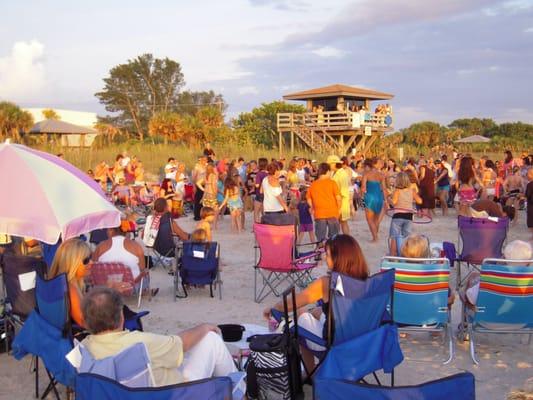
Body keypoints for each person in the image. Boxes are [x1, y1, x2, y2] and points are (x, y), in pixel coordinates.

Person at [80, 287, 236, 386]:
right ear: (121, 316)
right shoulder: (139, 344)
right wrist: (204, 327)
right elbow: (180, 344)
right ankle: (240, 392)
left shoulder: (85, 349)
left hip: (123, 392)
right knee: (211, 339)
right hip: (176, 394)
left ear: (87, 322)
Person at [263, 235, 369, 372]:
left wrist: (273, 309)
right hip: (362, 342)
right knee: (315, 311)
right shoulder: (367, 281)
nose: (325, 258)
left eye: (328, 255)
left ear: (339, 258)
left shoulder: (327, 283)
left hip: (335, 344)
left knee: (300, 318)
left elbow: (291, 304)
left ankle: (310, 374)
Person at [92, 224, 157, 296]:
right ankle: (145, 292)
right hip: (132, 288)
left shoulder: (100, 247)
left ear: (111, 230)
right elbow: (142, 268)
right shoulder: (136, 246)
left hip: (106, 288)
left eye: (107, 229)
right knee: (145, 272)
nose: (106, 232)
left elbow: (94, 267)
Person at [48, 238, 92, 327]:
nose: (91, 262)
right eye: (86, 260)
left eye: (91, 257)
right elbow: (85, 323)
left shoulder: (66, 282)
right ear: (72, 263)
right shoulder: (70, 288)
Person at [388, 172, 422, 256]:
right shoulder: (412, 191)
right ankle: (406, 254)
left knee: (394, 237)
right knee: (406, 237)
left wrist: (389, 200)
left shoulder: (397, 191)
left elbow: (394, 203)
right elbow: (420, 201)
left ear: (398, 181)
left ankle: (393, 255)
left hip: (398, 216)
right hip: (408, 216)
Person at [307, 163, 341, 242]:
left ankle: (320, 252)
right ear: (328, 171)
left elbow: (309, 199)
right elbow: (338, 198)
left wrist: (312, 207)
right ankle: (332, 253)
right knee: (334, 237)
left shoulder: (313, 184)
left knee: (320, 238)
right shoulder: (332, 183)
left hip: (319, 213)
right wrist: (339, 209)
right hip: (332, 212)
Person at [362, 158, 387, 242]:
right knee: (376, 220)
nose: (380, 165)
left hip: (369, 197)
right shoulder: (381, 175)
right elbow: (384, 189)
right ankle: (375, 235)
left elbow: (363, 188)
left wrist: (362, 199)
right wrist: (386, 200)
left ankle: (375, 238)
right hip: (379, 197)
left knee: (369, 220)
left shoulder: (366, 174)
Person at [328, 155, 351, 235]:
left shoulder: (342, 174)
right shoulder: (335, 173)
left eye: (330, 164)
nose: (329, 166)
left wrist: (339, 206)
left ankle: (346, 241)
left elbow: (343, 192)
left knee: (342, 222)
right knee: (340, 223)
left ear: (334, 164)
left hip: (341, 202)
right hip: (336, 201)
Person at [192, 156, 207, 221]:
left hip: (205, 185)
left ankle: (204, 214)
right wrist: (194, 186)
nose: (205, 161)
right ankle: (197, 215)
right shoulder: (197, 167)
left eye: (206, 160)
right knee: (198, 200)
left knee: (204, 200)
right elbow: (194, 177)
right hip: (198, 185)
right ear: (201, 160)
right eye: (203, 160)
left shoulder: (206, 166)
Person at [254, 158, 269, 223]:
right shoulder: (268, 173)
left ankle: (256, 226)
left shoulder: (259, 174)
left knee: (256, 211)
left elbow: (257, 185)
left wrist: (254, 182)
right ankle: (265, 224)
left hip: (259, 194)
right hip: (267, 194)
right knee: (264, 211)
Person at [525, 168, 533, 240]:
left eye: (528, 174)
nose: (527, 175)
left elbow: (528, 195)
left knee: (531, 222)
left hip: (531, 205)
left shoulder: (530, 184)